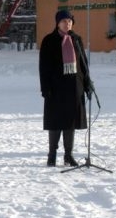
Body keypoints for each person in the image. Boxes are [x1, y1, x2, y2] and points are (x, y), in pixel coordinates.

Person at [39, 9, 95, 166]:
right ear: (58, 23)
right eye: (64, 21)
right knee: (56, 122)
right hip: (56, 88)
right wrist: (45, 88)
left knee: (70, 122)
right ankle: (52, 154)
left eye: (70, 21)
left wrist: (87, 83)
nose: (67, 23)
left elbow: (83, 64)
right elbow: (44, 67)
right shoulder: (49, 40)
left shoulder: (76, 39)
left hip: (74, 87)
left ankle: (68, 155)